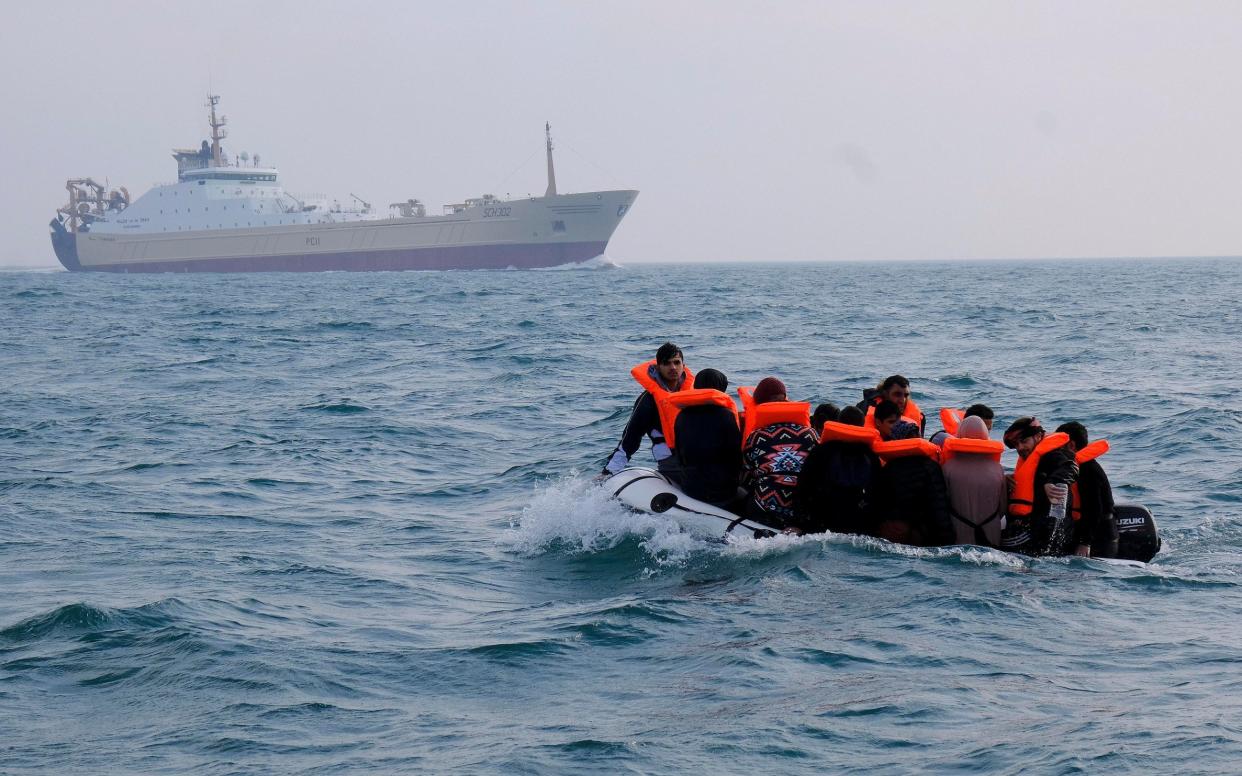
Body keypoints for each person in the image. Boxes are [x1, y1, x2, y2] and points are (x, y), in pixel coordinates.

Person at [601, 342, 692, 477]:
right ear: (658, 367)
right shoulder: (648, 400)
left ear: (683, 366)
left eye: (677, 362)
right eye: (667, 363)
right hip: (671, 463)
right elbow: (631, 438)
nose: (673, 367)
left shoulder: (695, 392)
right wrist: (608, 472)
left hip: (698, 457)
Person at [741, 377, 817, 531]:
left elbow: (746, 473)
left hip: (767, 508)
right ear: (785, 399)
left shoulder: (756, 437)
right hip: (803, 510)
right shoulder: (810, 434)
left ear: (759, 405)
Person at [794, 405, 882, 536]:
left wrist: (798, 524)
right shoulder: (871, 456)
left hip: (822, 525)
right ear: (862, 426)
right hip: (859, 526)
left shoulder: (820, 451)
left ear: (838, 423)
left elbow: (803, 488)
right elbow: (878, 495)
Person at [1000, 416, 1078, 556]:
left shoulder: (1054, 454)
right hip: (1036, 529)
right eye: (1016, 445)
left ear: (1038, 436)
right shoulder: (1031, 458)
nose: (1020, 448)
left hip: (1052, 533)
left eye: (1024, 442)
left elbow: (1070, 467)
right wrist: (1005, 480)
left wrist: (1052, 482)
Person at [870, 421, 955, 546]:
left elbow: (877, 503)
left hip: (889, 534)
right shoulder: (931, 467)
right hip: (919, 536)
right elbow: (938, 506)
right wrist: (947, 538)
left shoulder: (888, 469)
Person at [669, 369, 743, 507]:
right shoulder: (725, 416)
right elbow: (736, 456)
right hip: (721, 493)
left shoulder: (682, 416)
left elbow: (678, 453)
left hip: (690, 488)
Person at [940, 415, 1007, 547]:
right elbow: (1003, 509)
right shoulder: (998, 469)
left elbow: (943, 504)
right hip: (991, 532)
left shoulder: (947, 468)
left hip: (959, 532)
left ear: (959, 435)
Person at [1056, 421, 1119, 558]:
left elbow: (1094, 509)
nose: (1056, 451)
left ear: (1071, 445)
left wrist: (1085, 542)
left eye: (1058, 446)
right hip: (1089, 532)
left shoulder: (1088, 469)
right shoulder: (1077, 467)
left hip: (1100, 537)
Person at [858, 375, 925, 435]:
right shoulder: (864, 410)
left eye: (906, 395)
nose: (902, 400)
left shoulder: (918, 415)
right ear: (885, 394)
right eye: (897, 394)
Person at [930, 403, 995, 447]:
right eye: (984, 429)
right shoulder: (941, 439)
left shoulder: (989, 446)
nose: (986, 433)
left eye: (989, 430)